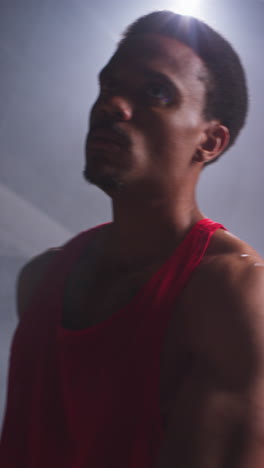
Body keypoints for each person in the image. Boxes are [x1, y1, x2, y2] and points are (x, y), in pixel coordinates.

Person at [1, 9, 264, 468]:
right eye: (108, 87)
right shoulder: (40, 281)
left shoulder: (231, 295)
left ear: (210, 141)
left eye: (156, 92)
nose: (112, 105)